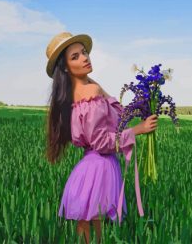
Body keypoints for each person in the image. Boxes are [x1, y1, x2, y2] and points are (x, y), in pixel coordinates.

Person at [45, 32, 158, 244]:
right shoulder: (91, 91)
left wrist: (91, 81)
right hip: (101, 169)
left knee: (86, 232)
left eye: (84, 52)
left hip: (87, 170)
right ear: (66, 68)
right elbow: (102, 142)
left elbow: (118, 114)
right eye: (75, 56)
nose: (85, 58)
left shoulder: (73, 95)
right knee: (96, 234)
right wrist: (138, 130)